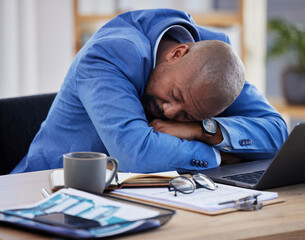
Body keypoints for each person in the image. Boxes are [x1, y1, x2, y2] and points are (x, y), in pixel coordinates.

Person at [11, 8, 288, 174]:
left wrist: (202, 130)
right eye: (176, 96)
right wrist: (222, 155)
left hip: (132, 196)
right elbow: (137, 157)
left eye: (187, 115)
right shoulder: (109, 54)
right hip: (43, 193)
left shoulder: (214, 60)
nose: (170, 112)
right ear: (177, 53)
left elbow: (277, 130)